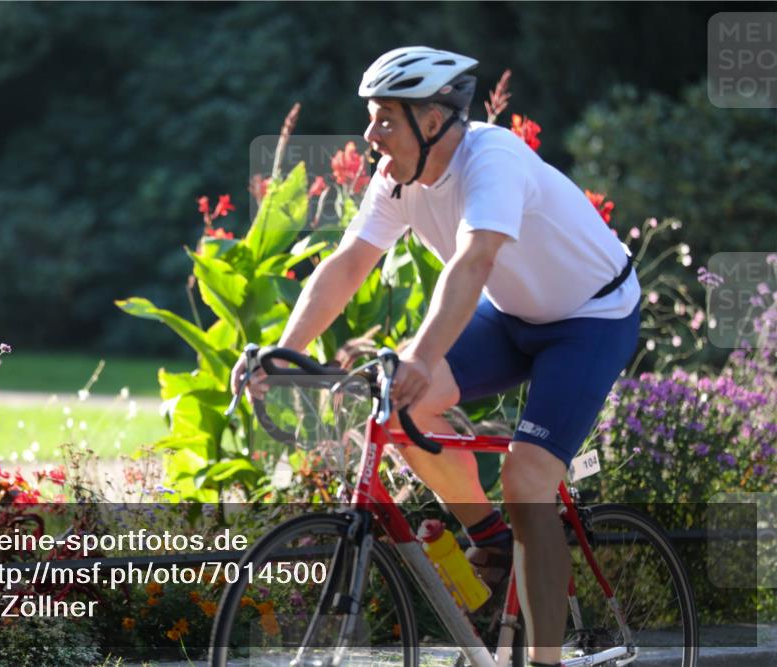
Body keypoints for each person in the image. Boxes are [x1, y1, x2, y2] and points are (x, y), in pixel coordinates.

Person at [230, 46, 640, 667]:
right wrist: (287, 352)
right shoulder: (398, 179)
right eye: (371, 118)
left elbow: (472, 263)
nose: (371, 136)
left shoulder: (492, 160)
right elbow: (347, 266)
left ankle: (546, 661)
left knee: (528, 480)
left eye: (385, 119)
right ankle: (492, 541)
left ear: (433, 120)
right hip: (511, 314)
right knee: (396, 413)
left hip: (589, 318)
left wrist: (421, 356)